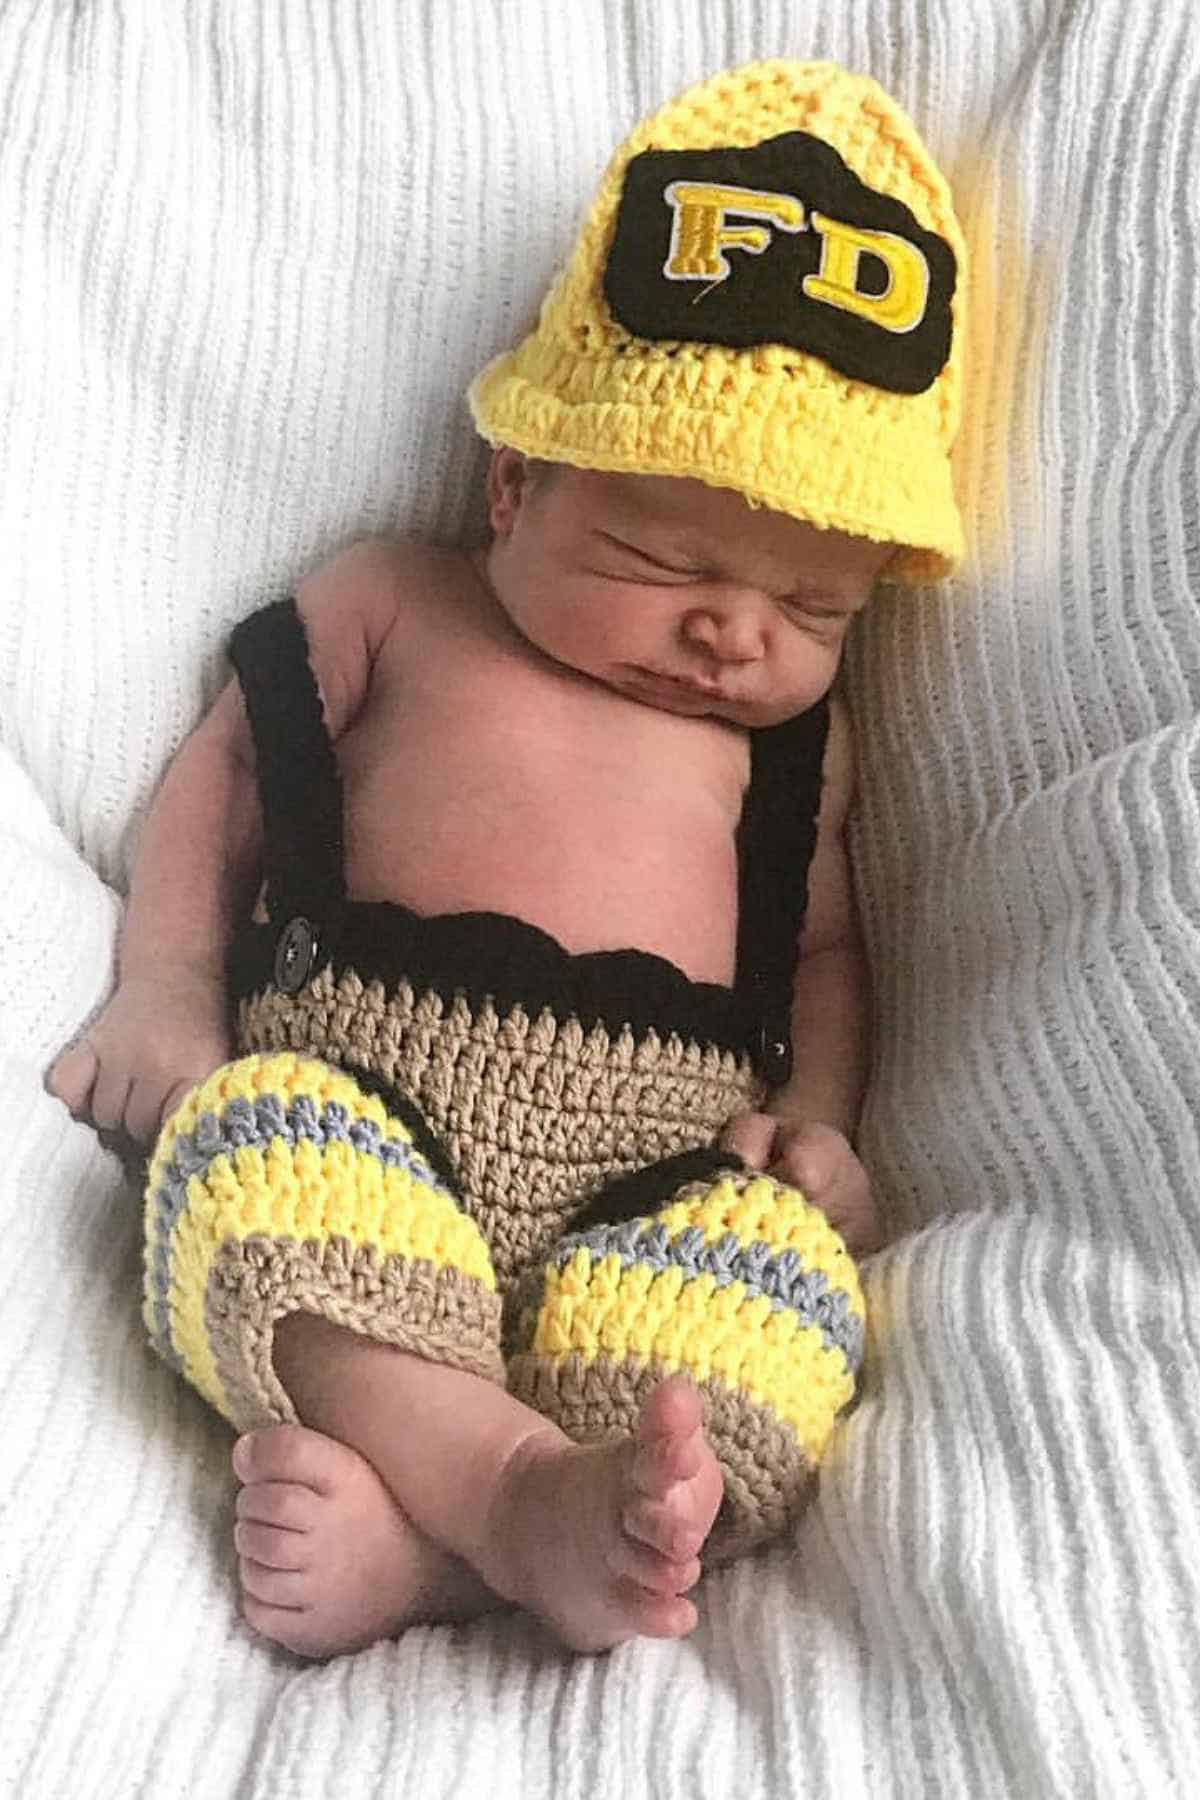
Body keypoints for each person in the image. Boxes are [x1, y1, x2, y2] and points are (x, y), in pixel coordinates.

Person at [47, 59, 966, 1658]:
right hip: (371, 1103)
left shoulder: (784, 753)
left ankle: (457, 1545)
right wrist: (170, 987)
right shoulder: (396, 599)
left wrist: (820, 1121)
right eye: (662, 555)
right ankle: (512, 1498)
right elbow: (225, 783)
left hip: (664, 1168)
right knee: (246, 1162)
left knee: (770, 1323)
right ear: (516, 482)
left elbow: (820, 951)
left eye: (813, 609)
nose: (732, 632)